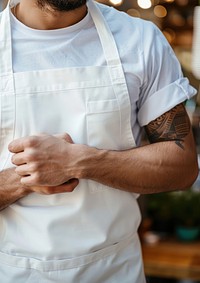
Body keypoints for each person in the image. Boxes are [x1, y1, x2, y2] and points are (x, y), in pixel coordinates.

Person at [0, 0, 198, 282]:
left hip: (115, 271)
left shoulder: (140, 40)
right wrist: (25, 177)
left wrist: (78, 161)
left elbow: (183, 166)